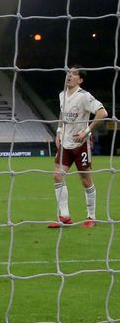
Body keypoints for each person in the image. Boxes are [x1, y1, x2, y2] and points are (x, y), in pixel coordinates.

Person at [49, 65, 107, 229]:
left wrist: (86, 130)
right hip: (65, 144)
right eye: (68, 73)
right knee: (57, 176)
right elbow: (62, 114)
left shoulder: (84, 96)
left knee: (85, 180)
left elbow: (102, 113)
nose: (69, 76)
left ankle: (91, 216)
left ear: (80, 79)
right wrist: (59, 132)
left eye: (74, 74)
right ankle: (65, 216)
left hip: (81, 144)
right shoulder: (62, 95)